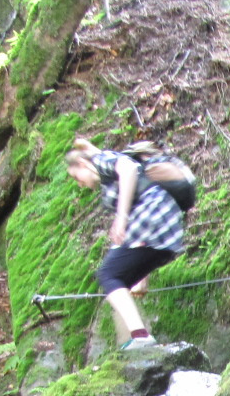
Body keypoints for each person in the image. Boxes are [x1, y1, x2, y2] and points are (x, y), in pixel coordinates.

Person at [66, 137, 188, 346]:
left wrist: (121, 217)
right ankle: (139, 336)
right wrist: (142, 277)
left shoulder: (103, 161)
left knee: (107, 274)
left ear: (83, 165)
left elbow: (128, 168)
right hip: (166, 229)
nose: (79, 184)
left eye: (77, 177)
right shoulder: (110, 183)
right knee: (117, 276)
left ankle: (140, 336)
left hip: (154, 219)